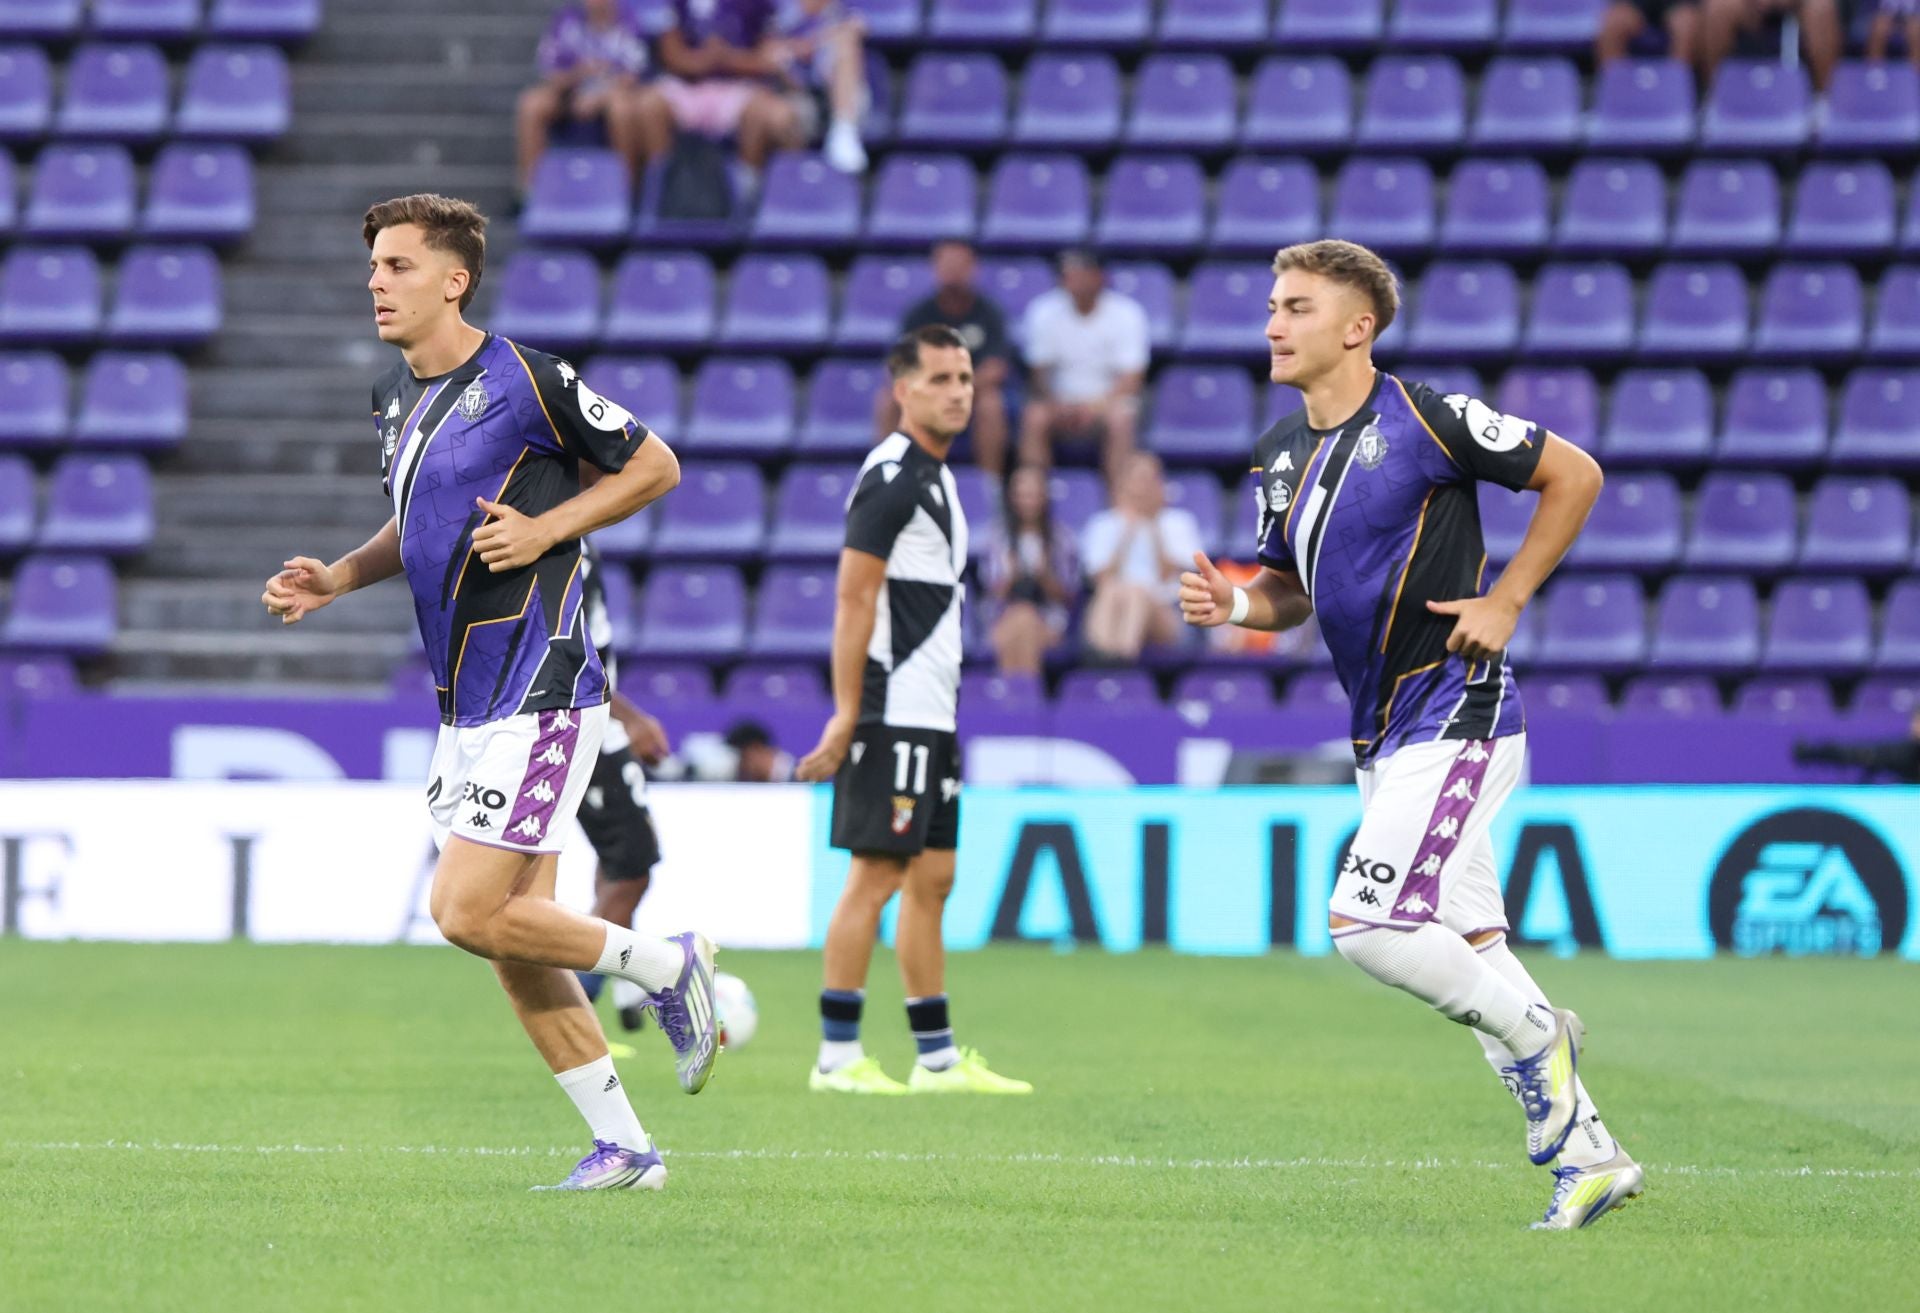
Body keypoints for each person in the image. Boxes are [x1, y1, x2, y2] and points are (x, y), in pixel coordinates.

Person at [261, 193, 719, 1193]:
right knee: (516, 941)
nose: (376, 283)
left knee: (465, 910)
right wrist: (340, 575)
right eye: (375, 266)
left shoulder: (523, 377)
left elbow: (656, 465)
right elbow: (418, 523)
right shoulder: (394, 395)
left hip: (542, 684)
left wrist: (549, 530)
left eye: (397, 265)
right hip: (467, 704)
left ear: (453, 277)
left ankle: (668, 962)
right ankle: (629, 1149)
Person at [1178, 239, 1634, 1231]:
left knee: (1367, 922)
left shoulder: (1426, 414)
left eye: (1296, 306)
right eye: (1271, 304)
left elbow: (1577, 474)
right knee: (1468, 940)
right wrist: (1236, 605)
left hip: (1455, 709)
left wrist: (1508, 598)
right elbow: (1292, 595)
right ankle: (1591, 1155)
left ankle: (1540, 1036)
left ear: (1357, 327)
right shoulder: (1280, 453)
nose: (1272, 322)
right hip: (1382, 735)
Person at [795, 325, 1031, 1097]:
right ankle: (837, 1057)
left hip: (932, 710)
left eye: (965, 377)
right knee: (877, 874)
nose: (958, 390)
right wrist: (845, 713)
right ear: (904, 390)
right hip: (891, 708)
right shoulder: (893, 476)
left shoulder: (939, 476)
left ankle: (934, 1059)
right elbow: (853, 595)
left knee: (934, 876)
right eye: (939, 379)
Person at [570, 537, 678, 1035]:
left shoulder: (576, 533)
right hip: (585, 726)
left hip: (594, 718)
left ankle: (625, 999)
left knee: (618, 865)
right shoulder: (564, 538)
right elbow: (570, 653)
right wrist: (629, 717)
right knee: (632, 867)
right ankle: (577, 1013)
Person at [655, 0, 863, 175]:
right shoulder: (776, 16)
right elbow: (770, 60)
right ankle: (752, 188)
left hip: (825, 98)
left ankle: (844, 129)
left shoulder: (835, 23)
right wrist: (788, 53)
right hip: (785, 91)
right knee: (770, 111)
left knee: (774, 112)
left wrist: (802, 48)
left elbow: (849, 28)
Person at [876, 241, 1014, 478]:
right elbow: (898, 366)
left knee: (991, 404)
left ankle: (990, 487)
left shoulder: (989, 313)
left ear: (973, 268)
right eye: (946, 263)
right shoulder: (919, 314)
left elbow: (995, 369)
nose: (952, 270)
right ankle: (887, 478)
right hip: (929, 394)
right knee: (888, 398)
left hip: (972, 395)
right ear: (934, 268)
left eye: (959, 264)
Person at [1018, 250, 1149, 485]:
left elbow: (1132, 378)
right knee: (1034, 416)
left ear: (1099, 277)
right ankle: (1034, 499)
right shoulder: (1044, 310)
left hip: (1108, 403)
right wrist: (1056, 402)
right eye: (1068, 274)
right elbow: (1039, 373)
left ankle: (1118, 503)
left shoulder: (1127, 313)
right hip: (1060, 402)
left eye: (1080, 273)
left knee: (1121, 419)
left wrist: (1095, 406)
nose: (1072, 279)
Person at [516, 0, 670, 196]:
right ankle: (530, 193)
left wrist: (600, 95)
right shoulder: (567, 20)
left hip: (613, 95)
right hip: (572, 93)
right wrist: (578, 78)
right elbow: (551, 73)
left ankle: (626, 192)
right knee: (531, 104)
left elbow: (634, 75)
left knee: (621, 108)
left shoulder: (629, 21)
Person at [1080, 452, 1203, 663]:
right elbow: (1101, 579)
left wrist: (1152, 525)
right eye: (1137, 480)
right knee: (1114, 590)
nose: (1143, 488)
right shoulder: (1103, 524)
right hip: (1113, 605)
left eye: (1150, 480)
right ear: (1123, 484)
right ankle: (1106, 657)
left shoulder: (1179, 523)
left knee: (1137, 592)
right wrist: (1128, 532)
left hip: (1167, 611)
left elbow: (1168, 576)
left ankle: (1119, 662)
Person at [984, 466, 1077, 676]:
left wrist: (1044, 576)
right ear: (1012, 498)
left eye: (1033, 495)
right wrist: (1011, 576)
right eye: (1022, 495)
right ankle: (1026, 699)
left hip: (1048, 622)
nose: (1028, 501)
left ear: (1044, 497)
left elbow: (1069, 597)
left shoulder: (1061, 539)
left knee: (1024, 620)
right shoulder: (998, 538)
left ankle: (1011, 699)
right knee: (1019, 621)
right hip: (1003, 618)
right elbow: (993, 594)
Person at [776, 0, 871, 172]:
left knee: (845, 43)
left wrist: (814, 42)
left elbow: (859, 26)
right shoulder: (778, 9)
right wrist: (794, 48)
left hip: (841, 93)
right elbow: (762, 43)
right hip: (794, 93)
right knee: (776, 59)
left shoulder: (838, 10)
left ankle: (844, 129)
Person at [1698, 0, 1842, 94]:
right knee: (1718, 7)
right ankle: (1715, 98)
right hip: (1746, 6)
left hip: (1798, 6)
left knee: (1822, 7)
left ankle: (1826, 101)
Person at [1793, 710, 1920, 781]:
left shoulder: (1904, 752)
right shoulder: (1905, 751)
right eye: (1915, 721)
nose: (1914, 726)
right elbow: (1861, 754)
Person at [1595, 0, 1701, 65]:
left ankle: (1675, 91)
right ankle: (1614, 92)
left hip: (1682, 5)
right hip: (1638, 4)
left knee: (1685, 25)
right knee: (1614, 22)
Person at [1867, 0, 1920, 69]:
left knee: (1915, 29)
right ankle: (1875, 69)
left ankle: (1915, 69)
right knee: (1879, 28)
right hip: (1887, 14)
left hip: (1912, 16)